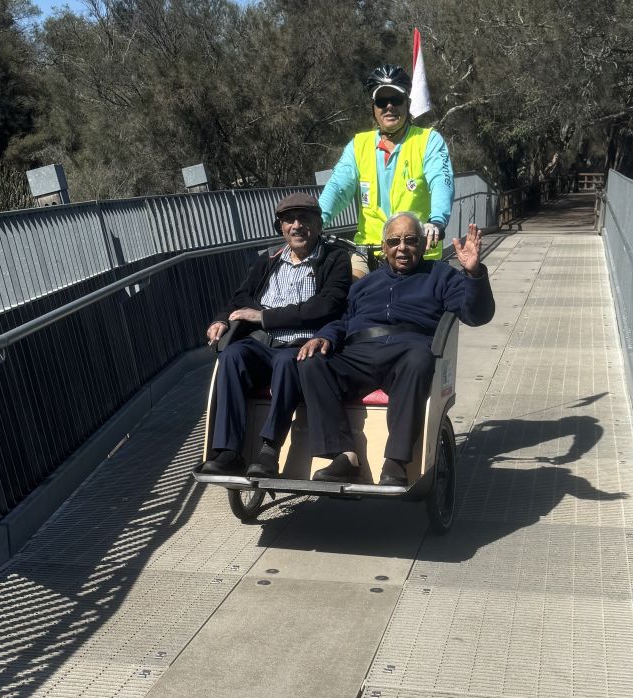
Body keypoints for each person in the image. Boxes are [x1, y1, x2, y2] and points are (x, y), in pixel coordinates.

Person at [296, 213, 493, 485]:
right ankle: (343, 455)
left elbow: (477, 315)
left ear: (423, 245)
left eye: (410, 240)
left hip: (408, 350)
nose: (402, 248)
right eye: (394, 241)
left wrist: (473, 273)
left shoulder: (441, 276)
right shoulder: (365, 284)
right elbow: (343, 321)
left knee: (419, 360)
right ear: (383, 247)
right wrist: (324, 336)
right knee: (312, 362)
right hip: (360, 352)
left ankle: (396, 461)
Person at [197, 192, 352, 478]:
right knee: (232, 356)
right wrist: (221, 320)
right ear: (280, 227)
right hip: (262, 343)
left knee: (285, 361)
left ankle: (269, 451)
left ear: (319, 224)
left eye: (304, 219)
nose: (297, 225)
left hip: (301, 342)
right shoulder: (269, 259)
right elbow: (241, 297)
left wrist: (265, 317)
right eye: (289, 220)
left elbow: (327, 305)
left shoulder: (335, 259)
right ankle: (228, 451)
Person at [319, 64, 454, 279]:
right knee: (348, 289)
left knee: (416, 298)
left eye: (396, 99)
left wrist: (437, 221)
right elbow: (338, 187)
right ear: (373, 108)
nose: (389, 106)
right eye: (382, 101)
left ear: (407, 103)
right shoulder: (359, 144)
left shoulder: (428, 140)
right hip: (368, 250)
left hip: (413, 250)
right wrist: (316, 220)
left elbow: (441, 182)